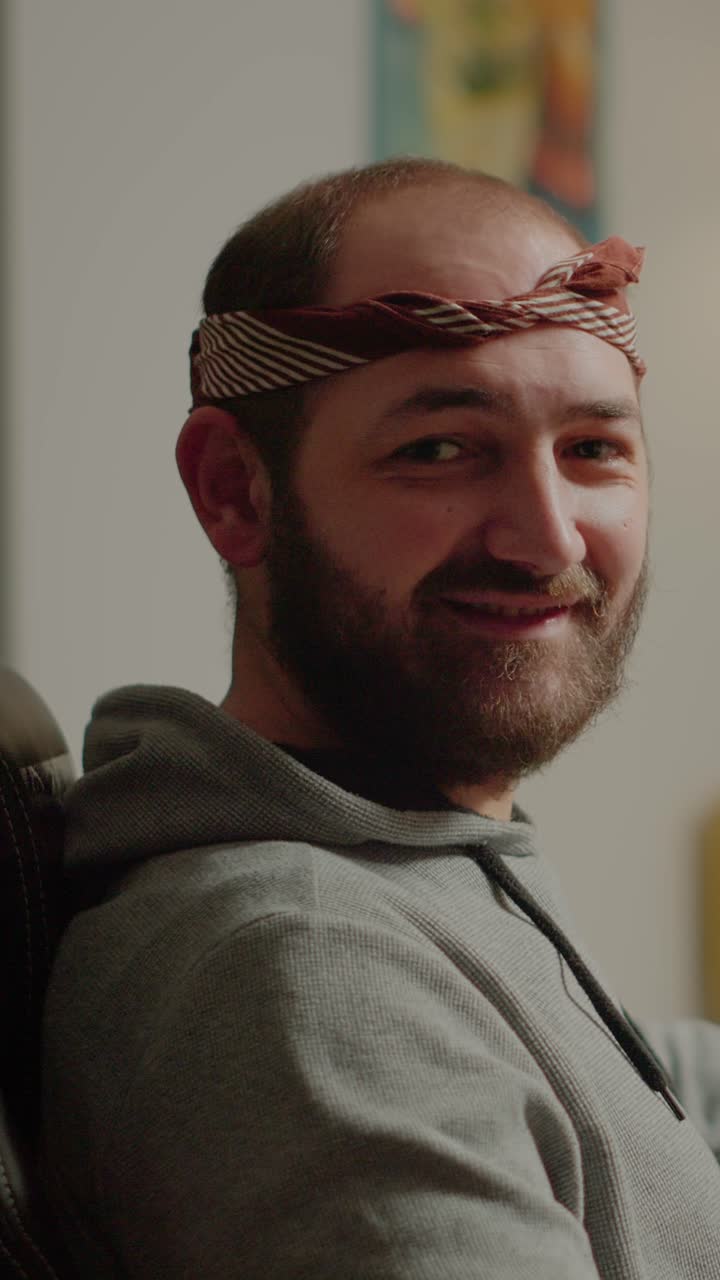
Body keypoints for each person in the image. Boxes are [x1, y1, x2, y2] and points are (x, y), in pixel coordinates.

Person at [41, 157, 720, 1278]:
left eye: (593, 448)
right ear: (235, 491)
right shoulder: (306, 972)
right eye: (439, 449)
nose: (548, 538)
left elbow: (631, 1094)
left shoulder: (408, 854)